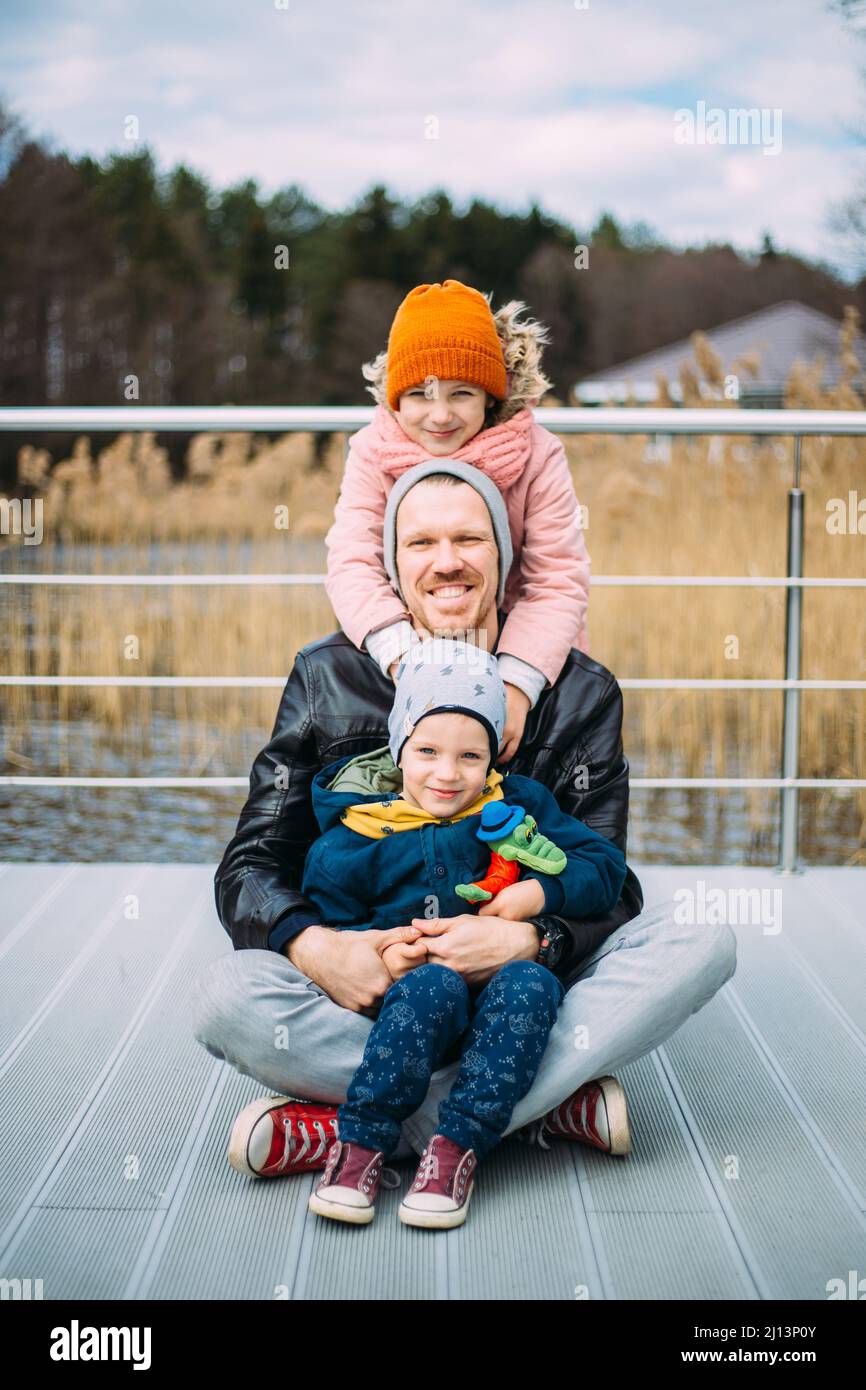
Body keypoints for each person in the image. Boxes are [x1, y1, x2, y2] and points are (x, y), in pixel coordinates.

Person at [191, 447, 737, 1186]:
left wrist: (527, 937)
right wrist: (324, 951)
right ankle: (527, 1111)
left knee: (702, 940)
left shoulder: (578, 693)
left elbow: (612, 885)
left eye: (468, 539)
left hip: (525, 990)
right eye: (421, 542)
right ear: (391, 565)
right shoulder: (328, 679)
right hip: (376, 991)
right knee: (226, 999)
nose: (446, 562)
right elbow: (252, 864)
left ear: (504, 556)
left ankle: (367, 1130)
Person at [301, 639, 628, 1227]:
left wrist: (538, 894)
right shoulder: (351, 841)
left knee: (533, 982)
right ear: (399, 750)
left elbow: (605, 870)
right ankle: (363, 1144)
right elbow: (335, 928)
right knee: (427, 990)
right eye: (427, 751)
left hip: (506, 1001)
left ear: (492, 761)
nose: (448, 775)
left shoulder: (519, 805)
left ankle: (455, 1148)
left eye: (470, 758)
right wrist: (379, 950)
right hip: (408, 1009)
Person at [323, 277, 592, 762]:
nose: (440, 415)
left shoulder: (536, 454)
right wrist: (406, 659)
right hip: (404, 651)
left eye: (462, 392)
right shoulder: (371, 451)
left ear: (491, 395)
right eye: (422, 395)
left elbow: (558, 577)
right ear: (396, 396)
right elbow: (351, 561)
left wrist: (516, 684)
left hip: (519, 655)